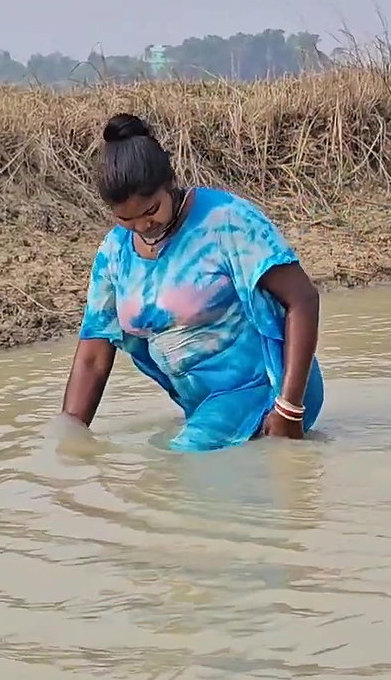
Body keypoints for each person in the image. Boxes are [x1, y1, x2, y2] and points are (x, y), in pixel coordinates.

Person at [59, 112, 324, 452]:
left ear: (169, 182)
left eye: (151, 210)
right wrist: (69, 442)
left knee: (179, 464)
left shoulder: (226, 220)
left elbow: (302, 299)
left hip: (269, 387)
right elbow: (94, 355)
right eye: (126, 219)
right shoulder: (114, 253)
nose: (143, 226)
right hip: (207, 405)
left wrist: (289, 409)